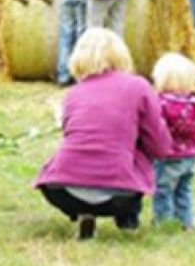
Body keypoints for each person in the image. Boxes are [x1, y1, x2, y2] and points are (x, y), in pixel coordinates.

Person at [34, 28, 172, 240]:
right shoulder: (138, 86)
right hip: (119, 193)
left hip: (62, 191)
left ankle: (84, 213)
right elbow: (159, 145)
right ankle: (127, 216)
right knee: (137, 148)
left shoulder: (73, 94)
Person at [150, 53, 195, 230]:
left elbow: (155, 128)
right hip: (190, 155)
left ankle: (163, 222)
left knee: (162, 189)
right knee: (184, 189)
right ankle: (187, 222)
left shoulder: (160, 103)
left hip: (168, 156)